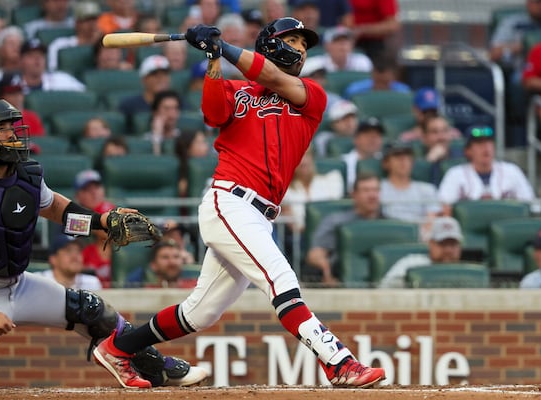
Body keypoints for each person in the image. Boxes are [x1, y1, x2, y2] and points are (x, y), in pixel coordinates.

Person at [92, 17, 385, 389]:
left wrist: (225, 46)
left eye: (304, 44)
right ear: (268, 45)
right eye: (291, 40)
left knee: (200, 312)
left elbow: (275, 80)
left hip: (261, 215)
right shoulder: (236, 88)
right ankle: (340, 363)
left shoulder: (309, 93)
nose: (299, 48)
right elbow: (214, 114)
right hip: (229, 201)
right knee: (281, 278)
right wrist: (214, 59)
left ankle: (118, 347)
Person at [0, 99, 206, 388]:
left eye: (11, 127)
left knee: (94, 311)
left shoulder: (26, 175)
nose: (13, 134)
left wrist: (102, 222)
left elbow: (55, 209)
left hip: (18, 284)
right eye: (1, 129)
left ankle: (159, 369)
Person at [438, 125, 536, 216]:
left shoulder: (512, 170)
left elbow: (530, 203)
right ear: (467, 151)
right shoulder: (455, 174)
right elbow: (444, 206)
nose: (486, 148)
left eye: (489, 142)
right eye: (479, 143)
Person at [305, 172, 382, 286]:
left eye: (375, 190)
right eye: (366, 190)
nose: (372, 195)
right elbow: (314, 255)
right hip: (341, 281)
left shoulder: (391, 223)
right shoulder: (335, 222)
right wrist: (326, 271)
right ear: (354, 194)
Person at [377, 216, 463, 288]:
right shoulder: (411, 264)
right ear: (431, 244)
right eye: (443, 244)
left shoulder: (466, 272)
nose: (448, 250)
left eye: (453, 244)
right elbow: (383, 290)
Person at [380, 142, 441, 240]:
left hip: (420, 237)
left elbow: (431, 220)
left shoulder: (427, 189)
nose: (403, 160)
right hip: (388, 235)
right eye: (397, 156)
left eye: (407, 157)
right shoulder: (377, 188)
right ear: (386, 163)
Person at [281, 147, 344, 234]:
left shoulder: (330, 181)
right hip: (299, 238)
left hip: (329, 235)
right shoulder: (285, 191)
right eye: (298, 157)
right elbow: (294, 227)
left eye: (307, 155)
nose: (304, 162)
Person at [73, 169, 116, 287]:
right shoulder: (72, 218)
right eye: (87, 189)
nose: (94, 193)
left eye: (97, 187)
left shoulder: (112, 209)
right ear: (78, 196)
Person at [47, 1, 103, 72]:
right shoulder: (59, 45)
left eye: (94, 19)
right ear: (77, 23)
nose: (92, 24)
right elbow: (52, 71)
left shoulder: (103, 45)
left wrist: (98, 44)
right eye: (87, 20)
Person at [37, 234, 102, 290]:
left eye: (78, 251)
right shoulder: (39, 281)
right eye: (68, 251)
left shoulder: (92, 283)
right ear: (53, 259)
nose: (75, 256)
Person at [19, 38, 86, 93]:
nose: (37, 59)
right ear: (21, 60)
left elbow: (85, 93)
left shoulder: (60, 79)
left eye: (41, 55)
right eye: (31, 55)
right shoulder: (14, 86)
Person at [126, 239, 198, 289]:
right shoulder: (146, 293)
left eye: (176, 257)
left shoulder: (194, 288)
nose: (172, 262)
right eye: (165, 257)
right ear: (153, 265)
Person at [119, 55, 171, 119]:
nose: (161, 78)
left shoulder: (180, 103)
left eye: (164, 74)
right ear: (144, 80)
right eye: (154, 74)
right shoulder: (129, 106)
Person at [340, 116, 384, 193]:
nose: (373, 139)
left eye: (377, 135)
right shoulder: (343, 162)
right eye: (368, 134)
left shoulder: (387, 160)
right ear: (355, 139)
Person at [306, 26, 372, 74]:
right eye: (337, 41)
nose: (343, 45)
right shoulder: (313, 65)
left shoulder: (362, 62)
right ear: (327, 46)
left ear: (352, 45)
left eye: (346, 41)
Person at [0, 72, 46, 136]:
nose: (17, 96)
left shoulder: (32, 118)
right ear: (2, 96)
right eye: (12, 93)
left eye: (19, 92)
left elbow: (40, 143)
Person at [343, 54, 410, 100]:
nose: (380, 87)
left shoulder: (404, 93)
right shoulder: (354, 91)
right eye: (377, 82)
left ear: (395, 78)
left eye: (385, 83)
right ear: (372, 75)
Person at [142, 90, 183, 155]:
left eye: (176, 108)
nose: (172, 113)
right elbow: (157, 163)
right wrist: (157, 134)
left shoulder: (183, 138)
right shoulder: (145, 140)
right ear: (155, 113)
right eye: (167, 108)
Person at [175, 129, 211, 198]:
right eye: (200, 143)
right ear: (187, 148)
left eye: (204, 142)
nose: (206, 147)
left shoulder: (214, 167)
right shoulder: (179, 174)